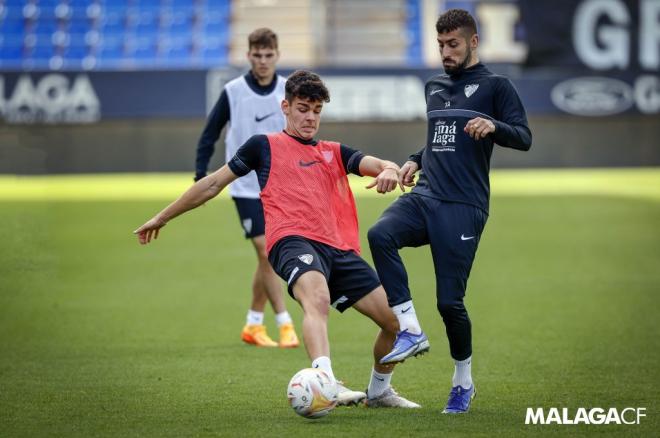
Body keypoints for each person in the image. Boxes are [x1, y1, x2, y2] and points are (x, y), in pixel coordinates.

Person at [135, 70, 420, 408]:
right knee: (316, 296)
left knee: (394, 321)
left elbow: (377, 163)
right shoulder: (263, 146)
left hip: (337, 248)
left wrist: (388, 169)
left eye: (316, 110)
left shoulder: (333, 152)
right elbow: (213, 183)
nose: (310, 117)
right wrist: (162, 216)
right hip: (291, 242)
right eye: (303, 108)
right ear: (285, 106)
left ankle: (379, 391)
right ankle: (324, 381)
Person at [368, 9, 532, 413]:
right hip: (425, 196)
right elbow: (439, 141)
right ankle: (410, 329)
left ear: (473, 42)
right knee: (379, 234)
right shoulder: (434, 86)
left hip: (464, 206)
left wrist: (493, 126)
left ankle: (463, 383)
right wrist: (413, 160)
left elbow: (524, 137)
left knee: (449, 304)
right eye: (440, 44)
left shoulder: (497, 86)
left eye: (452, 44)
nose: (445, 52)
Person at [194, 28, 299, 348]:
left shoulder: (287, 90)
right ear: (249, 55)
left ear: (277, 55)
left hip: (281, 186)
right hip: (244, 186)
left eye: (269, 55)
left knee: (267, 256)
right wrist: (201, 176)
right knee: (266, 250)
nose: (263, 61)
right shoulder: (233, 91)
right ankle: (285, 323)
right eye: (258, 55)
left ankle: (253, 323)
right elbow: (209, 134)